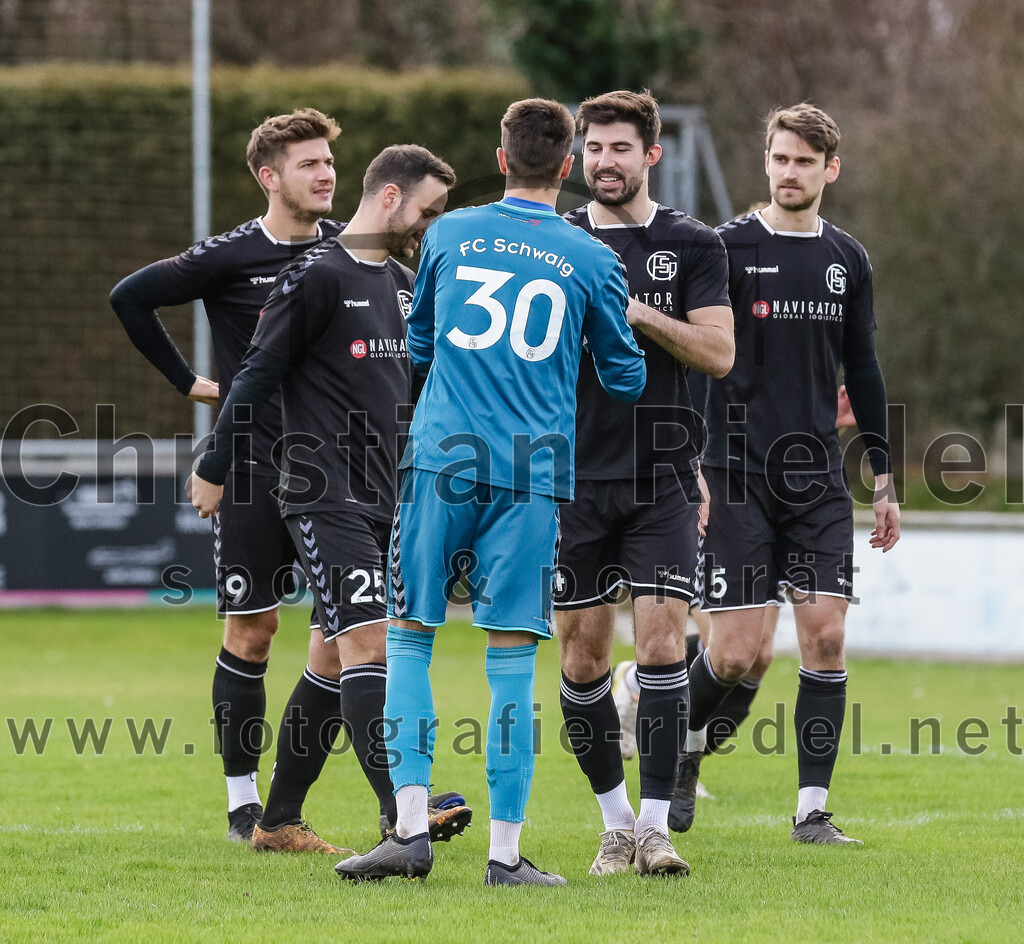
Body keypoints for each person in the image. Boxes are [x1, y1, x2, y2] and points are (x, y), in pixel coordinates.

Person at [334, 98, 647, 887]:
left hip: (441, 459)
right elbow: (626, 378)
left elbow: (420, 342)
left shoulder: (448, 234)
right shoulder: (593, 258)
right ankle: (505, 856)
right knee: (511, 662)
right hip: (531, 473)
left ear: (501, 159)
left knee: (411, 636)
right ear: (568, 166)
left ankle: (409, 833)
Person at [186, 144, 472, 852]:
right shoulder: (313, 277)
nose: (430, 226)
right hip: (322, 493)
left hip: (389, 496)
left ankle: (278, 820)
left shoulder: (404, 282)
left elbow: (422, 387)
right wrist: (215, 465)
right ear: (389, 197)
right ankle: (403, 814)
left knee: (332, 659)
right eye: (427, 210)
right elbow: (255, 376)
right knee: (369, 645)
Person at [110, 108, 348, 844]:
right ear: (269, 177)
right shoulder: (230, 255)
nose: (326, 174)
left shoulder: (352, 249)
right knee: (254, 631)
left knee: (347, 637)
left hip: (340, 472)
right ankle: (244, 805)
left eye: (329, 161)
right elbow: (129, 297)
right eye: (309, 163)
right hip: (251, 467)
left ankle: (300, 809)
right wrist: (189, 383)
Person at [671, 103, 900, 845]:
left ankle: (811, 812)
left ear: (831, 169)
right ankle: (678, 744)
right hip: (734, 472)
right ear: (765, 161)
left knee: (826, 638)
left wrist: (884, 476)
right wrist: (692, 463)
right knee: (738, 653)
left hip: (817, 480)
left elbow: (862, 368)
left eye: (804, 161)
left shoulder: (847, 258)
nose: (789, 172)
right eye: (780, 158)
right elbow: (695, 364)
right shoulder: (725, 248)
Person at [552, 90, 733, 877]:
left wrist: (638, 314)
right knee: (581, 659)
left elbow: (718, 353)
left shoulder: (691, 243)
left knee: (662, 645)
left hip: (662, 476)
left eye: (620, 148)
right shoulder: (554, 239)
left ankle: (656, 831)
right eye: (593, 148)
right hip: (570, 478)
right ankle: (616, 824)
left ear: (650, 155)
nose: (605, 161)